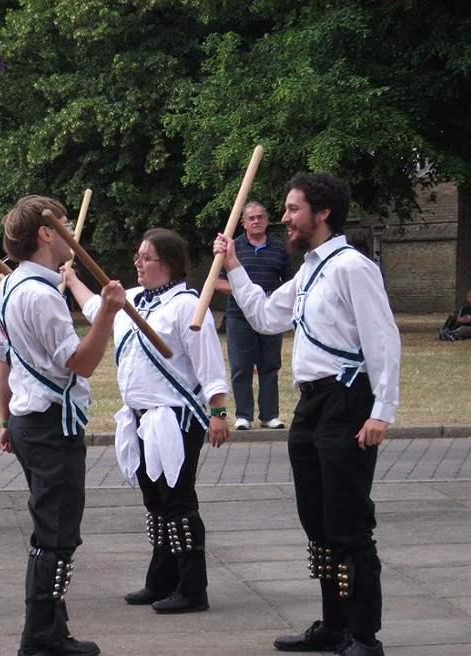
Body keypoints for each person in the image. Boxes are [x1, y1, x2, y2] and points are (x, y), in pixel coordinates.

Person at [214, 173, 400, 656]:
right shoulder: (310, 270)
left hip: (347, 400)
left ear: (322, 213)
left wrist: (382, 411)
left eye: (293, 209)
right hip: (312, 406)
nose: (284, 218)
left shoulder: (352, 267)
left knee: (348, 523)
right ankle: (334, 626)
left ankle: (364, 636)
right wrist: (233, 264)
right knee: (317, 521)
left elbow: (383, 339)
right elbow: (267, 316)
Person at [64, 228, 230, 615]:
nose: (137, 263)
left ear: (168, 264)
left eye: (146, 258)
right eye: (138, 257)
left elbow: (209, 363)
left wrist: (218, 412)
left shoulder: (188, 305)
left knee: (178, 501)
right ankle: (161, 580)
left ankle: (193, 588)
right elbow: (95, 308)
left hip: (175, 416)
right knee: (154, 502)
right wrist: (72, 279)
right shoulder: (133, 301)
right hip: (139, 417)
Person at [0, 195, 126, 656]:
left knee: (53, 529)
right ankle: (39, 638)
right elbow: (81, 364)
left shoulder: (10, 287)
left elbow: (4, 362)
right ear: (45, 234)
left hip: (31, 422)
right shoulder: (39, 295)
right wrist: (107, 311)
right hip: (51, 428)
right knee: (54, 534)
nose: (72, 232)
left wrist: (6, 418)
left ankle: (54, 627)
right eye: (64, 225)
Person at [216, 201, 295, 430]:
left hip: (270, 315)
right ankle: (243, 416)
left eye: (260, 217)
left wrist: (272, 299)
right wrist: (246, 292)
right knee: (241, 366)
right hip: (239, 317)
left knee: (269, 366)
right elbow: (218, 281)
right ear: (243, 223)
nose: (256, 221)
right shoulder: (232, 248)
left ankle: (270, 415)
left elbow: (291, 281)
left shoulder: (278, 248)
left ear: (267, 221)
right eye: (251, 218)